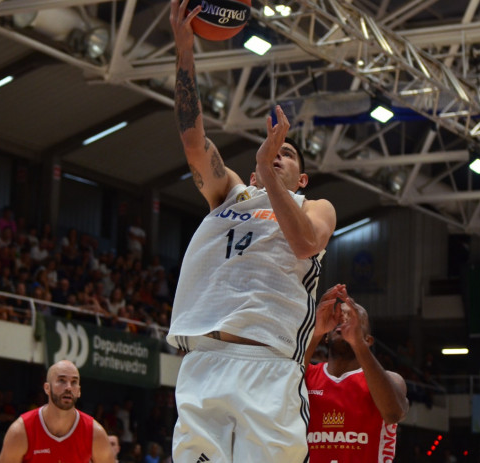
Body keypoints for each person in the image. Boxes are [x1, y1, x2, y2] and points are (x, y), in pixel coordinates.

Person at [166, 2, 337, 462]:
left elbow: (304, 243)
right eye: (272, 152)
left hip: (268, 366)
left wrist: (265, 165)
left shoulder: (314, 206)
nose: (278, 155)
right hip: (202, 363)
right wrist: (185, 49)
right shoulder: (228, 194)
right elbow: (191, 138)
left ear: (301, 179)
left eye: (289, 154)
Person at [304, 284, 409, 462]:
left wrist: (356, 343)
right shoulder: (306, 375)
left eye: (354, 318)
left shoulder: (391, 380)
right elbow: (277, 393)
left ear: (368, 340)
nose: (345, 321)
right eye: (340, 318)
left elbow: (394, 414)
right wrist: (315, 333)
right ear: (327, 336)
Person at [0, 360, 113, 463]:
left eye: (74, 382)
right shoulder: (20, 431)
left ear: (78, 391)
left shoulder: (95, 434)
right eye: (61, 380)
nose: (68, 387)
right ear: (47, 388)